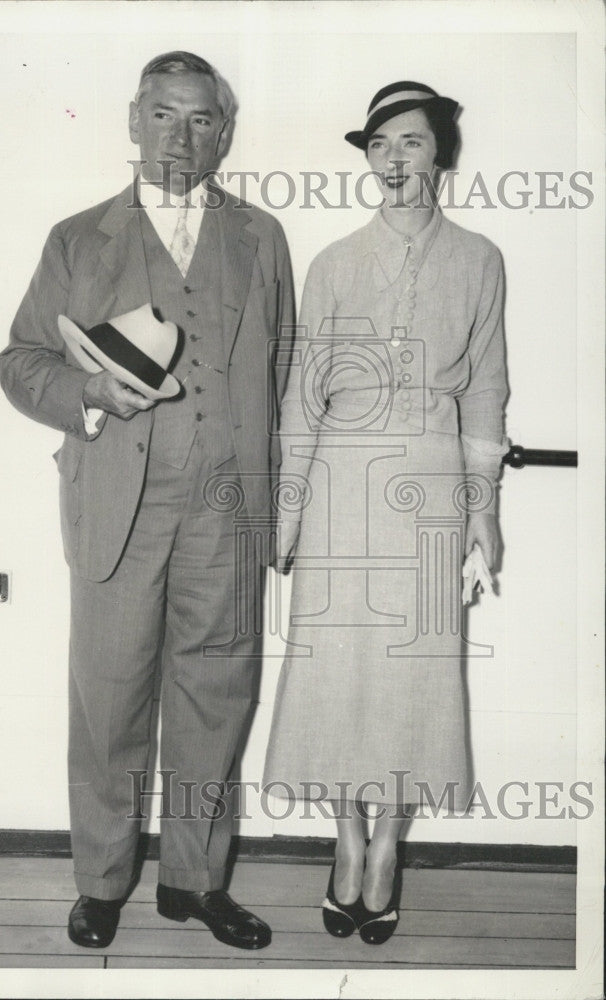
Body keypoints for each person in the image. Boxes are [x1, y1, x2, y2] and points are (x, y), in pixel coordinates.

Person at [0, 51, 294, 951]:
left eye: (202, 119)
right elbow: (21, 361)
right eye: (164, 114)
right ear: (132, 121)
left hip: (227, 508)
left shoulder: (262, 237)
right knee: (110, 699)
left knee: (218, 694)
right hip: (117, 502)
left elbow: (281, 373)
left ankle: (197, 883)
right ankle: (102, 880)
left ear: (224, 132)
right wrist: (89, 395)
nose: (182, 134)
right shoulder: (77, 238)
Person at [264, 82, 508, 945]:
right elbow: (299, 399)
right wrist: (287, 512)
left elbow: (485, 391)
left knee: (417, 677)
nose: (394, 160)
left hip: (433, 488)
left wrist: (484, 511)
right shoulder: (332, 261)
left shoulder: (479, 259)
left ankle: (388, 847)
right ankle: (344, 838)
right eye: (379, 146)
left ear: (439, 152)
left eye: (410, 142)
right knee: (333, 675)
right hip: (339, 483)